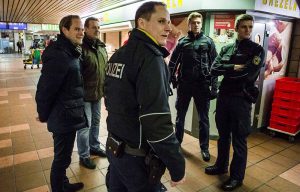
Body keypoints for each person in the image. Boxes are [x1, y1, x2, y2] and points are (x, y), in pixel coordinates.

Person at [104, 1, 185, 191]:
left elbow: (109, 99)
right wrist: (177, 165)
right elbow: (156, 121)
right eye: (161, 21)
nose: (168, 28)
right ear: (142, 23)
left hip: (115, 148)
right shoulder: (151, 59)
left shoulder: (119, 55)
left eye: (169, 22)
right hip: (137, 159)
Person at [205, 14, 265, 191]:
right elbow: (213, 69)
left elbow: (249, 75)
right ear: (236, 28)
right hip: (224, 98)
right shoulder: (226, 49)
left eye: (250, 27)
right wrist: (232, 67)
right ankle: (221, 166)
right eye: (244, 27)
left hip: (241, 99)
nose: (247, 30)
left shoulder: (257, 50)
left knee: (239, 140)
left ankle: (237, 177)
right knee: (223, 136)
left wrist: (227, 70)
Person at [35, 15, 86, 192]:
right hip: (63, 115)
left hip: (69, 113)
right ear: (64, 30)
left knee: (63, 156)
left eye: (82, 29)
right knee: (61, 159)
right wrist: (43, 113)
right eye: (77, 29)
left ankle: (63, 185)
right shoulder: (59, 55)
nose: (81, 32)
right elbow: (45, 89)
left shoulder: (70, 51)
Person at [168, 12, 218, 162]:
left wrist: (214, 87)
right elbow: (172, 63)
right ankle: (177, 144)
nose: (196, 25)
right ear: (189, 24)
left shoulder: (208, 42)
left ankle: (204, 148)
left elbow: (215, 66)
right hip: (185, 85)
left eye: (198, 22)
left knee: (204, 119)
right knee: (180, 117)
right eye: (193, 22)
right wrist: (172, 81)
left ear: (201, 24)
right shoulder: (182, 42)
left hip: (202, 86)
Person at [77, 17, 108, 169]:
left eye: (98, 27)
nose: (97, 30)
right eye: (94, 27)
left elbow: (105, 71)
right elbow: (76, 74)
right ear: (86, 29)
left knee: (96, 122)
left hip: (98, 94)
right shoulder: (81, 48)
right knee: (84, 126)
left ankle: (94, 146)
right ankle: (84, 155)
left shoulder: (101, 47)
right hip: (84, 95)